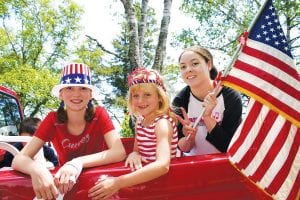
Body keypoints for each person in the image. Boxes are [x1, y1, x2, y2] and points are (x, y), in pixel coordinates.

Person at [12, 62, 126, 200]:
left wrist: (76, 163)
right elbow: (19, 159)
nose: (76, 94)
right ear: (61, 94)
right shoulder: (53, 119)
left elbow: (119, 152)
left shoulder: (99, 114)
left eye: (83, 88)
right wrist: (38, 170)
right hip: (68, 187)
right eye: (69, 88)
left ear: (90, 94)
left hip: (99, 186)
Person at [88, 67, 178, 199]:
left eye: (147, 95)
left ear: (159, 97)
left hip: (169, 182)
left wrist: (117, 182)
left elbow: (163, 165)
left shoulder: (162, 124)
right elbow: (137, 149)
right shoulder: (140, 122)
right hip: (148, 180)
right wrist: (134, 153)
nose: (140, 101)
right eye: (136, 96)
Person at [172, 46, 243, 156]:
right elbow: (184, 148)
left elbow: (228, 146)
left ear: (209, 64)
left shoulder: (231, 96)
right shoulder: (180, 100)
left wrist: (207, 117)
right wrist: (188, 138)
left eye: (195, 64)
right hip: (193, 166)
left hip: (225, 164)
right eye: (183, 67)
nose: (188, 69)